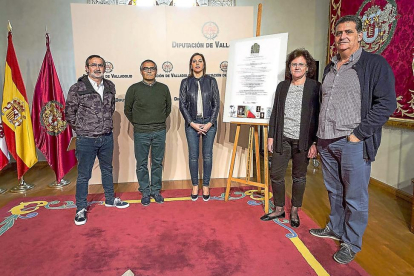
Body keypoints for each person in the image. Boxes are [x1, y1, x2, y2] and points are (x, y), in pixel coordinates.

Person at [309, 15, 396, 264]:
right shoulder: (329, 67)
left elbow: (386, 103)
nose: (342, 36)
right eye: (338, 33)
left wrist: (359, 134)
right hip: (326, 141)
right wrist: (317, 138)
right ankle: (335, 228)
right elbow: (322, 105)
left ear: (360, 35)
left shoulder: (374, 64)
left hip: (352, 143)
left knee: (355, 197)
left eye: (348, 31)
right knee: (334, 191)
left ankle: (351, 242)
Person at [65, 55, 129, 226]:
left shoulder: (109, 86)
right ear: (87, 68)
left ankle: (110, 198)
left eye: (101, 65)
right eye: (94, 65)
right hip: (86, 139)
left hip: (106, 137)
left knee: (107, 169)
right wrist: (83, 128)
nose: (98, 68)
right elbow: (69, 113)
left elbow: (110, 109)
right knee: (84, 175)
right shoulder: (77, 88)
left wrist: (105, 126)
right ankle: (80, 208)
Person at [260, 49, 320, 228]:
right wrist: (271, 136)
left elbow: (318, 116)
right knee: (276, 174)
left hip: (304, 141)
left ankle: (294, 210)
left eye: (301, 64)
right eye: (294, 64)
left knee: (299, 177)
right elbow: (275, 113)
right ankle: (279, 208)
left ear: (308, 67)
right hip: (282, 138)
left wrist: (315, 142)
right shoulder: (282, 86)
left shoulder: (314, 87)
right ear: (289, 67)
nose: (297, 67)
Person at [124, 60, 171, 206]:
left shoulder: (163, 88)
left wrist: (157, 121)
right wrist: (139, 123)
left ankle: (155, 190)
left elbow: (167, 109)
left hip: (159, 131)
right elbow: (128, 110)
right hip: (141, 132)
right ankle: (145, 191)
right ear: (141, 71)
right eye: (146, 69)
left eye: (152, 68)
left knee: (157, 162)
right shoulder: (133, 89)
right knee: (142, 163)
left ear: (156, 71)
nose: (149, 71)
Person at [179, 53, 220, 201]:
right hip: (192, 124)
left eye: (200, 61)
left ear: (204, 64)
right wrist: (192, 123)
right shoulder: (185, 82)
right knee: (193, 156)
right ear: (191, 65)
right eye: (194, 61)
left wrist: (210, 123)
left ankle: (206, 185)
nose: (197, 64)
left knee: (207, 156)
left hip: (209, 122)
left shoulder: (211, 81)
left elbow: (216, 104)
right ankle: (195, 185)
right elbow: (182, 105)